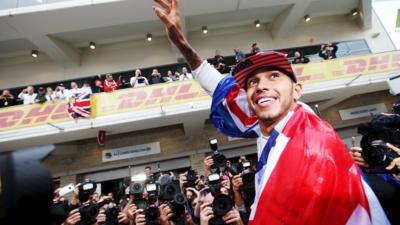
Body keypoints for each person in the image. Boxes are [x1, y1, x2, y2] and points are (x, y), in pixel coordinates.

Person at [152, 1, 390, 224]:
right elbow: (218, 85)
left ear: (297, 91)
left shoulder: (310, 138)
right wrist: (183, 45)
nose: (262, 85)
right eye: (253, 82)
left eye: (274, 76)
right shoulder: (269, 123)